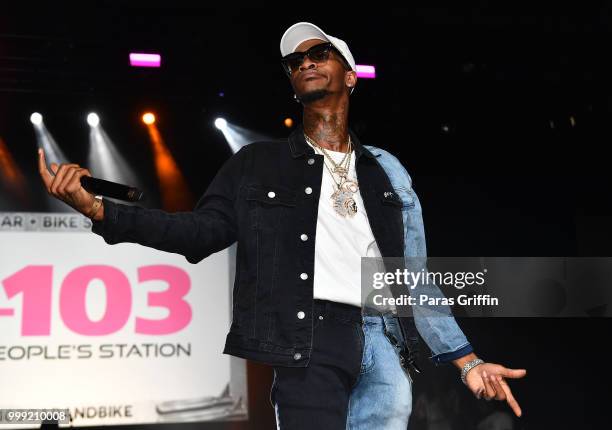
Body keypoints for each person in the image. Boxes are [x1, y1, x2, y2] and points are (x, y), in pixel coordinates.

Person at [38, 22, 526, 430]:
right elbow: (199, 233)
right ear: (293, 82)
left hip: (385, 340)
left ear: (351, 75)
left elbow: (412, 276)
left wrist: (467, 360)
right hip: (307, 339)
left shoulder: (387, 169)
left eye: (319, 52)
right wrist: (101, 210)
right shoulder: (256, 165)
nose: (306, 62)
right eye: (296, 61)